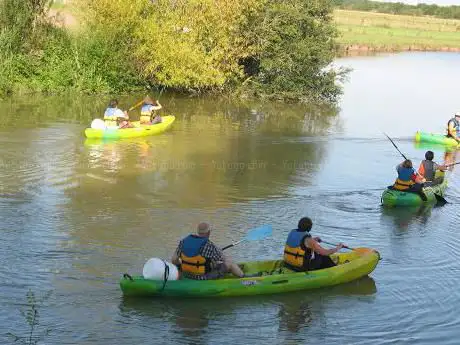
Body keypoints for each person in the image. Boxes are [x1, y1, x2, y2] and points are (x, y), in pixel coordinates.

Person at [171, 222, 245, 280]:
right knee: (230, 263)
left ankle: (236, 269)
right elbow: (223, 259)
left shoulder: (184, 241)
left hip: (186, 274)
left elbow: (174, 260)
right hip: (202, 277)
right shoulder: (209, 245)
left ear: (198, 232)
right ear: (209, 232)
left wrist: (182, 267)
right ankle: (244, 278)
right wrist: (219, 252)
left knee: (211, 262)